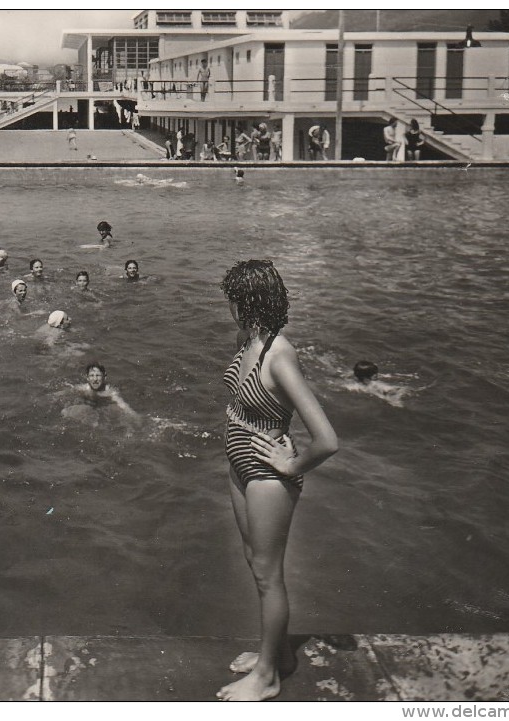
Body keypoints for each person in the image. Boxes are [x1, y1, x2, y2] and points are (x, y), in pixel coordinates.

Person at [217, 260, 338, 702]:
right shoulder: (247, 339)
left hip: (268, 475)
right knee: (256, 564)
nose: (228, 307)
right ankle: (277, 655)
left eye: (232, 298)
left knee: (269, 575)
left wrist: (292, 465)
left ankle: (267, 677)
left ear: (247, 300)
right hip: (239, 465)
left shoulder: (279, 353)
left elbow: (326, 439)